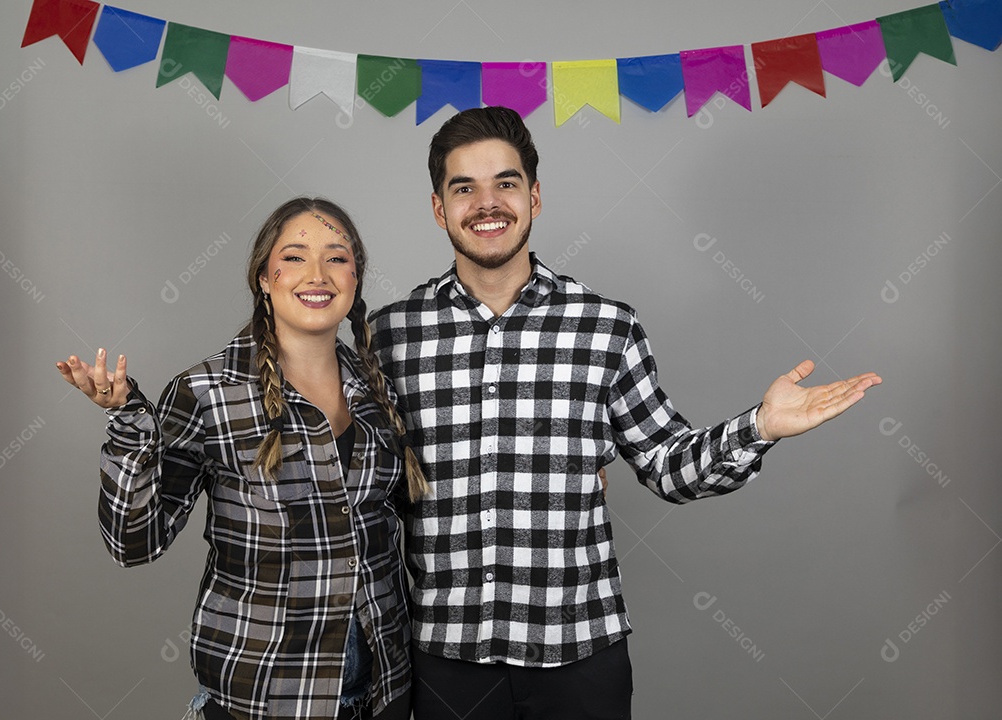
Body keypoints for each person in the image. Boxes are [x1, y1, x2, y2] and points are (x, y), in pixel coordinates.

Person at [368, 107, 882, 720]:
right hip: (447, 659)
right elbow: (369, 487)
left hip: (581, 656)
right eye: (464, 188)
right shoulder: (389, 336)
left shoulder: (606, 326)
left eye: (505, 183)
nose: (487, 204)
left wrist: (761, 427)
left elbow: (668, 465)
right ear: (438, 208)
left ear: (534, 197)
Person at [56, 197, 425, 720]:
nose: (317, 274)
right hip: (259, 702)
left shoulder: (380, 389)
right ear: (264, 278)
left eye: (336, 258)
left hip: (382, 695)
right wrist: (128, 423)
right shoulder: (206, 392)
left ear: (355, 277)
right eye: (294, 257)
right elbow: (133, 544)